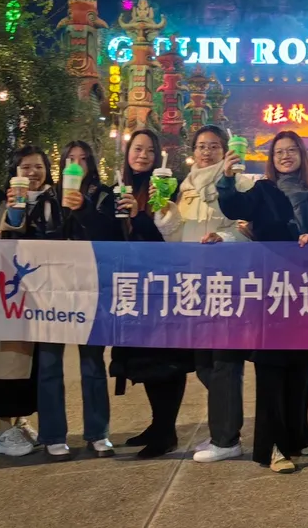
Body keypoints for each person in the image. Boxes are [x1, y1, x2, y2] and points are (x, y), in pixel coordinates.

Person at [217, 130, 308, 475]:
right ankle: (272, 445)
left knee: (300, 366)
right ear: (272, 158)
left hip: (305, 289)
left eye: (292, 150)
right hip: (271, 289)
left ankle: (299, 435)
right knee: (271, 366)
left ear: (302, 155)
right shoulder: (262, 190)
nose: (285, 156)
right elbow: (234, 206)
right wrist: (227, 178)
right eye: (279, 152)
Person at [27, 142, 118, 462]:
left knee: (93, 363)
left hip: (90, 288)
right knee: (49, 363)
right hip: (52, 290)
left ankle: (98, 432)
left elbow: (111, 234)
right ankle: (53, 435)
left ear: (91, 164)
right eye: (70, 159)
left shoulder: (103, 195)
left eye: (83, 159)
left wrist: (84, 209)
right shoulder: (48, 197)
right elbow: (34, 237)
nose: (76, 164)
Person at [107, 129, 193, 460]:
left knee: (166, 362)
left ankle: (166, 430)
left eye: (149, 151)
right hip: (130, 286)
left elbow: (166, 239)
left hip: (160, 287)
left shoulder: (164, 189)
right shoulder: (118, 188)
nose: (142, 155)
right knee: (143, 361)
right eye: (137, 149)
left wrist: (139, 216)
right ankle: (158, 425)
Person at [177, 125, 254, 463]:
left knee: (224, 362)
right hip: (193, 282)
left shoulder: (240, 182)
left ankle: (226, 438)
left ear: (225, 151)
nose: (206, 152)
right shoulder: (184, 187)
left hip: (226, 281)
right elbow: (177, 234)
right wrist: (163, 216)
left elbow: (248, 229)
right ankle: (225, 423)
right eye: (201, 146)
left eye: (213, 146)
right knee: (202, 362)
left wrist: (224, 238)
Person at [0, 146, 58, 458]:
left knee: (35, 363)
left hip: (46, 294)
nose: (32, 172)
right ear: (15, 172)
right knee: (9, 360)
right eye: (25, 167)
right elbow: (4, 232)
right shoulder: (5, 201)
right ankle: (3, 430)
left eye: (38, 166)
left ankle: (21, 421)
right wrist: (13, 212)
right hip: (12, 296)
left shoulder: (56, 200)